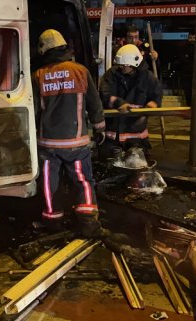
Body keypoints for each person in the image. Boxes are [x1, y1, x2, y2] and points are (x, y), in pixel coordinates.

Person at [31, 29, 106, 237]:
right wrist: (99, 128)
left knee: (49, 182)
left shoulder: (38, 75)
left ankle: (53, 221)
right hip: (77, 142)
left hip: (49, 144)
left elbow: (34, 110)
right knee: (82, 180)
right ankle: (89, 222)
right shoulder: (80, 71)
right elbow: (94, 103)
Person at [99, 44, 162, 158]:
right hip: (113, 137)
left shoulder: (148, 78)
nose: (122, 67)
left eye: (125, 65)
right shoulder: (111, 74)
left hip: (137, 137)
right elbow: (104, 94)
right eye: (120, 64)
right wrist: (119, 103)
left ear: (135, 64)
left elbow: (156, 96)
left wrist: (152, 105)